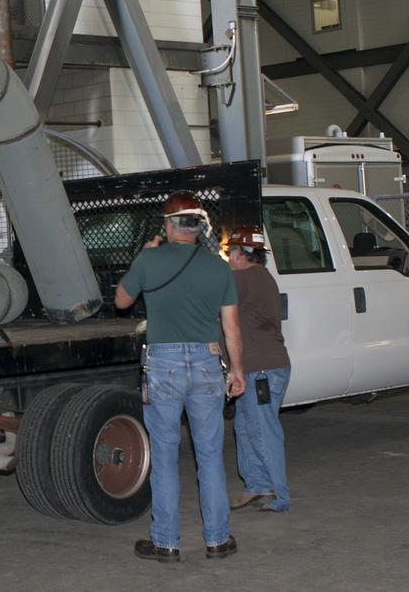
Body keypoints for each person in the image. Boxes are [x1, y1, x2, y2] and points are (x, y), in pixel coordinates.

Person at [115, 192, 245, 563]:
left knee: (166, 455)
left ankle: (166, 543)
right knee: (209, 456)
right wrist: (237, 370)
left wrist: (144, 254)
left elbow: (122, 301)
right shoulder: (218, 267)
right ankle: (218, 540)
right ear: (200, 227)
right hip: (207, 361)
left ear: (170, 225)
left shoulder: (150, 259)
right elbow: (231, 326)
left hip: (164, 364)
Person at [226, 225, 291, 513]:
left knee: (263, 431)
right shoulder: (263, 277)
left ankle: (280, 495)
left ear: (241, 255)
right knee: (245, 426)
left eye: (230, 253)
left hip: (260, 370)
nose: (228, 258)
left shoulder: (243, 279)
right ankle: (257, 485)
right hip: (261, 368)